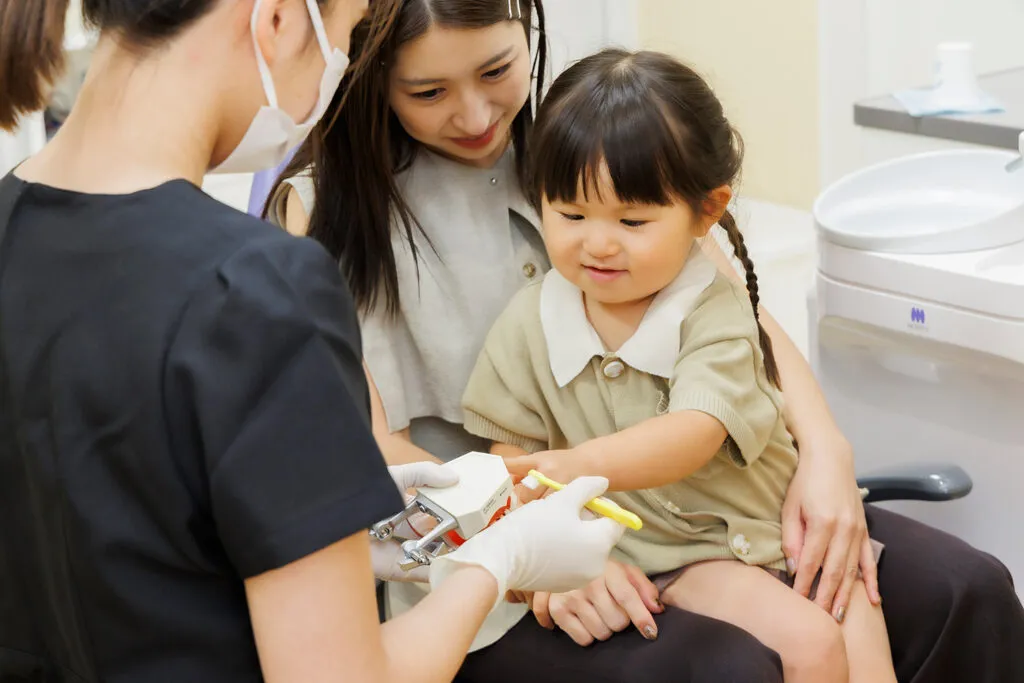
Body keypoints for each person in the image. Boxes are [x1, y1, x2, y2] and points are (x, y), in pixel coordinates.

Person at [265, 2, 1024, 681]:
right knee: (732, 663)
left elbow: (735, 316)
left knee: (968, 588)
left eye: (497, 70)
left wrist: (827, 455)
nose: (473, 114)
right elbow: (372, 450)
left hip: (710, 494)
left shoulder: (588, 143)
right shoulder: (319, 213)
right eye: (426, 93)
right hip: (493, 548)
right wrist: (526, 556)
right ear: (366, 76)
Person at [0, 1, 626, 681]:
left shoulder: (16, 227)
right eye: (349, 35)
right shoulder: (258, 289)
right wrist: (503, 557)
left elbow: (129, 532)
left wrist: (337, 521)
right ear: (275, 20)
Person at [461, 48, 898, 683]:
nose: (599, 242)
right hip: (682, 555)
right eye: (571, 214)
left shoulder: (714, 309)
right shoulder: (526, 324)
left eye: (632, 220)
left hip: (778, 527)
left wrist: (578, 465)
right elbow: (512, 454)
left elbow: (697, 427)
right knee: (811, 645)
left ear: (707, 212)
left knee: (862, 639)